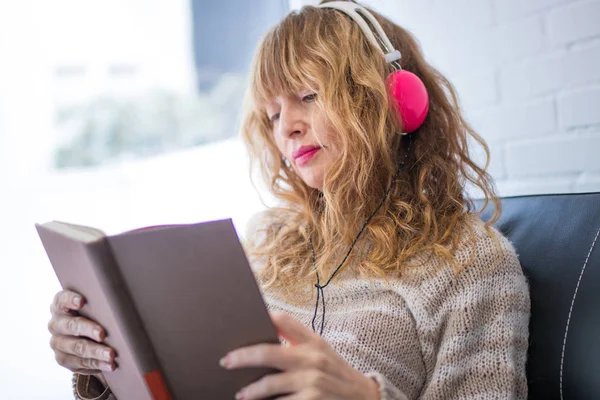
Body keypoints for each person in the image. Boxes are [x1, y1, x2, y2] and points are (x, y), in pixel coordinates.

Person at [47, 1, 531, 399]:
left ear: (393, 99)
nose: (287, 128)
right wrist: (105, 365)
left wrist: (366, 397)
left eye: (308, 95)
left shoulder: (470, 263)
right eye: (272, 113)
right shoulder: (269, 236)